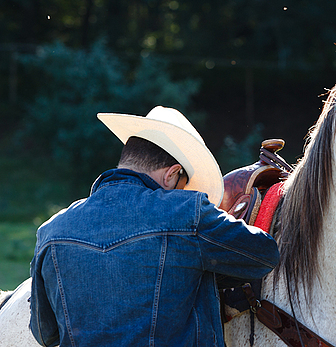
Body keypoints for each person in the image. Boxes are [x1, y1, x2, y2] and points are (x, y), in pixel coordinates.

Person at [29, 106, 280, 347]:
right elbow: (264, 254)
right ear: (172, 174)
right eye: (183, 185)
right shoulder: (186, 213)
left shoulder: (51, 232)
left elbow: (45, 333)